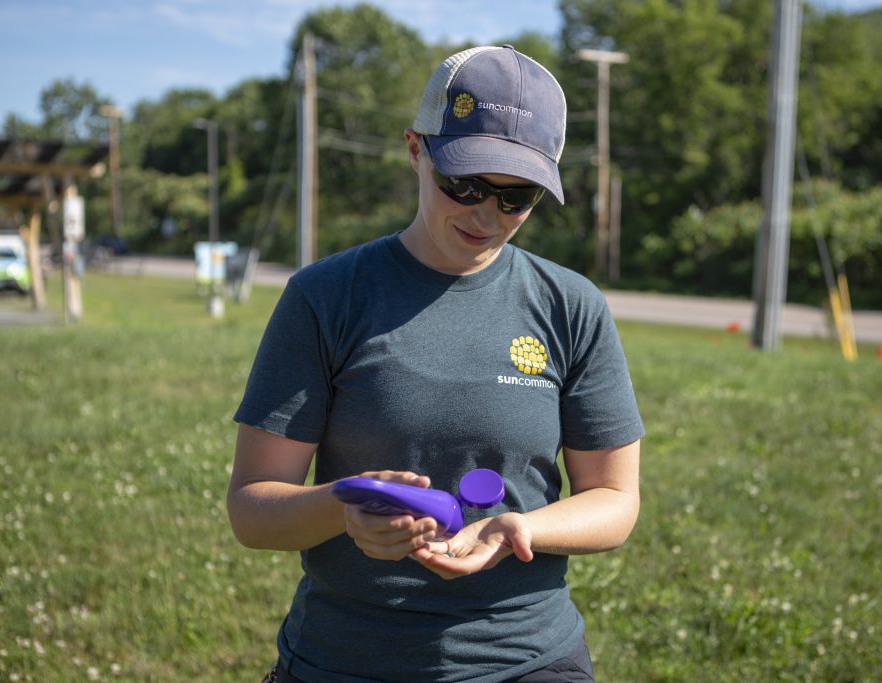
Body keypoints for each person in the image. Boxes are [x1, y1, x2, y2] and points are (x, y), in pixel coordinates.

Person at [228, 44, 645, 683]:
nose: (486, 214)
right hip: (347, 656)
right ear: (416, 150)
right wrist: (343, 507)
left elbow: (615, 501)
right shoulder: (326, 296)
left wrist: (516, 528)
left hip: (524, 657)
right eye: (465, 184)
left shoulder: (571, 305)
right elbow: (252, 509)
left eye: (518, 197)